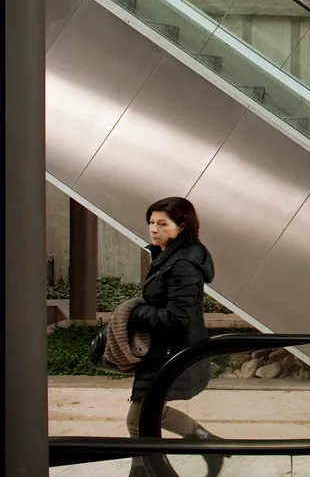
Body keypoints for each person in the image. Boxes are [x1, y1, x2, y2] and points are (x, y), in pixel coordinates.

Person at [127, 197, 222, 477]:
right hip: (165, 351)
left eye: (162, 224)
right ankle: (208, 446)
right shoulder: (169, 256)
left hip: (172, 352)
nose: (153, 229)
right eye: (151, 223)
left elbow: (178, 317)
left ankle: (208, 446)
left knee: (140, 419)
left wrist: (137, 313)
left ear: (181, 226)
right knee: (142, 420)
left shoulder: (182, 263)